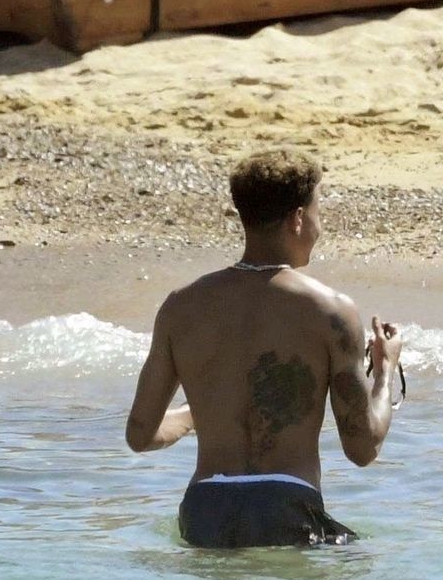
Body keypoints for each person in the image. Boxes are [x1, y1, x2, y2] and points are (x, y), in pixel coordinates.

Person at [125, 149, 403, 547]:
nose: (319, 228)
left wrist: (197, 413)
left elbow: (141, 435)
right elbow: (362, 447)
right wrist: (385, 370)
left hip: (204, 509)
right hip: (286, 505)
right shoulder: (331, 311)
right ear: (298, 218)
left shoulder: (180, 306)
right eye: (318, 213)